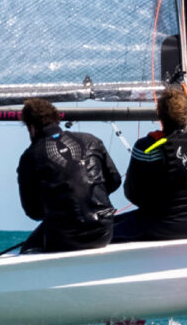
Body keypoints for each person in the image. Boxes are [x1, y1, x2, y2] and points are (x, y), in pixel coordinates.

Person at [112, 86, 187, 243]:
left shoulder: (146, 146)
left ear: (160, 115)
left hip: (160, 227)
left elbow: (132, 194)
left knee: (100, 230)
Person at [15, 97, 118, 253]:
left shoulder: (30, 157)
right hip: (103, 232)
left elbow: (33, 211)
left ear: (31, 128)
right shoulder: (91, 140)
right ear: (57, 119)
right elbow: (114, 181)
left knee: (26, 250)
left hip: (64, 238)